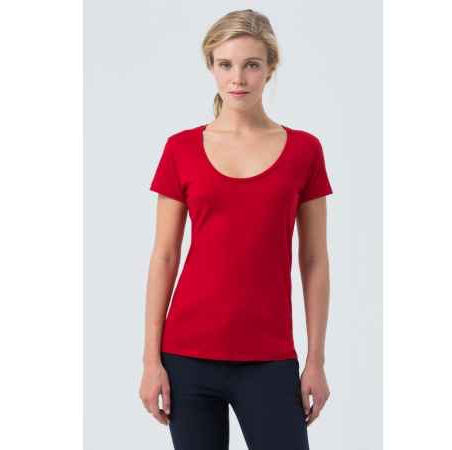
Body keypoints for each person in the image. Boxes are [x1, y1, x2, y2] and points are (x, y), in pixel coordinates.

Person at [139, 9, 333, 450]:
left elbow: (314, 261)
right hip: (186, 356)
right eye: (225, 64)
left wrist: (316, 361)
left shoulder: (304, 150)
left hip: (269, 357)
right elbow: (164, 257)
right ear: (211, 66)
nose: (238, 78)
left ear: (270, 68)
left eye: (251, 65)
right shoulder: (181, 149)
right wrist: (151, 361)